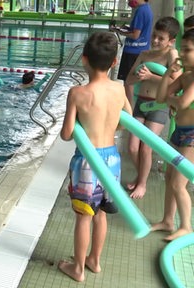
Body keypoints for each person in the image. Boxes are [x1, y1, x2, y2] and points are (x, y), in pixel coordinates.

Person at [58, 31, 132, 282]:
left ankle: (77, 269)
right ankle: (94, 261)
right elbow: (127, 121)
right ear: (114, 62)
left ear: (83, 59)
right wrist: (109, 125)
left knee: (83, 217)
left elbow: (67, 134)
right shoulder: (119, 90)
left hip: (87, 162)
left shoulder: (77, 93)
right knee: (101, 215)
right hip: (112, 159)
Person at [125, 16, 181, 199]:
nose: (156, 40)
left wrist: (151, 76)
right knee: (132, 147)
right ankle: (141, 175)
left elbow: (177, 82)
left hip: (159, 104)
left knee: (146, 148)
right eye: (154, 35)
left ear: (171, 41)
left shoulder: (171, 55)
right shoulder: (145, 55)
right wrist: (139, 79)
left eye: (161, 38)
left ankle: (142, 184)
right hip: (141, 101)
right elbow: (129, 79)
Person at [152, 28, 194, 242]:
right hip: (180, 132)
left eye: (188, 50)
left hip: (193, 138)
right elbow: (161, 97)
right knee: (169, 178)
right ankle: (168, 220)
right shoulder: (186, 76)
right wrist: (168, 74)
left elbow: (183, 102)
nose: (183, 54)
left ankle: (186, 226)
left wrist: (172, 100)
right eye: (183, 49)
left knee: (179, 183)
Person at [110, 0, 153, 107]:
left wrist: (117, 30)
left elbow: (135, 35)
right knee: (135, 80)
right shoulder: (147, 9)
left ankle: (128, 109)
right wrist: (126, 29)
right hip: (141, 49)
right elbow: (138, 31)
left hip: (133, 51)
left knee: (128, 82)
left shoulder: (140, 11)